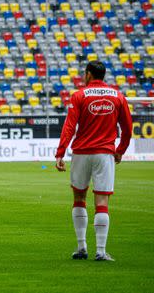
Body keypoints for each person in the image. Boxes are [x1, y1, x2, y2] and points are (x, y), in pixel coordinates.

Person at [55, 60, 132, 261]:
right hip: (104, 153)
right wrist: (120, 150)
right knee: (102, 200)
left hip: (81, 153)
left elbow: (69, 127)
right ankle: (100, 250)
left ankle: (81, 248)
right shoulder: (118, 96)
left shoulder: (79, 95)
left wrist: (60, 153)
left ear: (89, 74)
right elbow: (128, 128)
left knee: (79, 198)